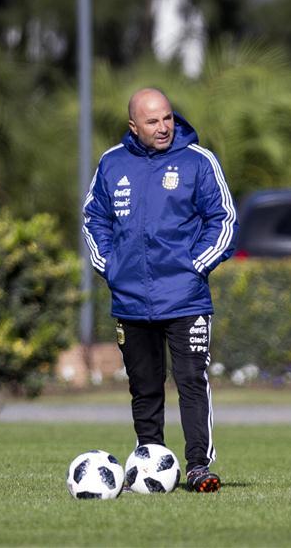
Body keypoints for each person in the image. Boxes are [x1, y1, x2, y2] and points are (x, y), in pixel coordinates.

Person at [82, 87, 238, 492]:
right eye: (152, 121)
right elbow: (93, 218)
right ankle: (150, 461)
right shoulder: (112, 163)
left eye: (167, 117)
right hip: (130, 301)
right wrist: (110, 266)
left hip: (185, 298)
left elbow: (223, 220)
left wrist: (194, 266)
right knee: (144, 386)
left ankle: (199, 466)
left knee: (190, 380)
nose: (163, 127)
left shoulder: (198, 162)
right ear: (133, 126)